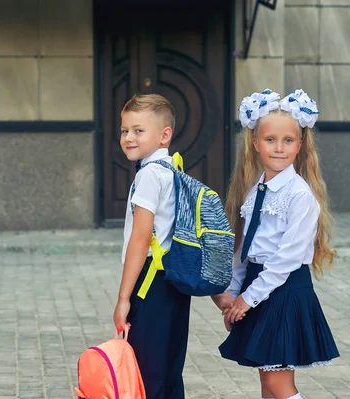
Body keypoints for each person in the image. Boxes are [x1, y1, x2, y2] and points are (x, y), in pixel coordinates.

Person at [213, 89, 340, 399]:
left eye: (287, 141)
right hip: (260, 288)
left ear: (299, 145)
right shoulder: (256, 190)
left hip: (283, 291)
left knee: (277, 384)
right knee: (266, 383)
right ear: (255, 144)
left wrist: (248, 299)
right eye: (270, 140)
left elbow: (286, 259)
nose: (279, 148)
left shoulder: (299, 195)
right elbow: (246, 249)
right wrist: (233, 293)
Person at [113, 94, 190, 399]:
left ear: (164, 135)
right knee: (169, 370)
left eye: (138, 130)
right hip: (173, 282)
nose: (129, 137)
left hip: (149, 283)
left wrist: (123, 298)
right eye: (124, 130)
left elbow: (141, 238)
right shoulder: (174, 170)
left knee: (146, 374)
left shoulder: (148, 176)